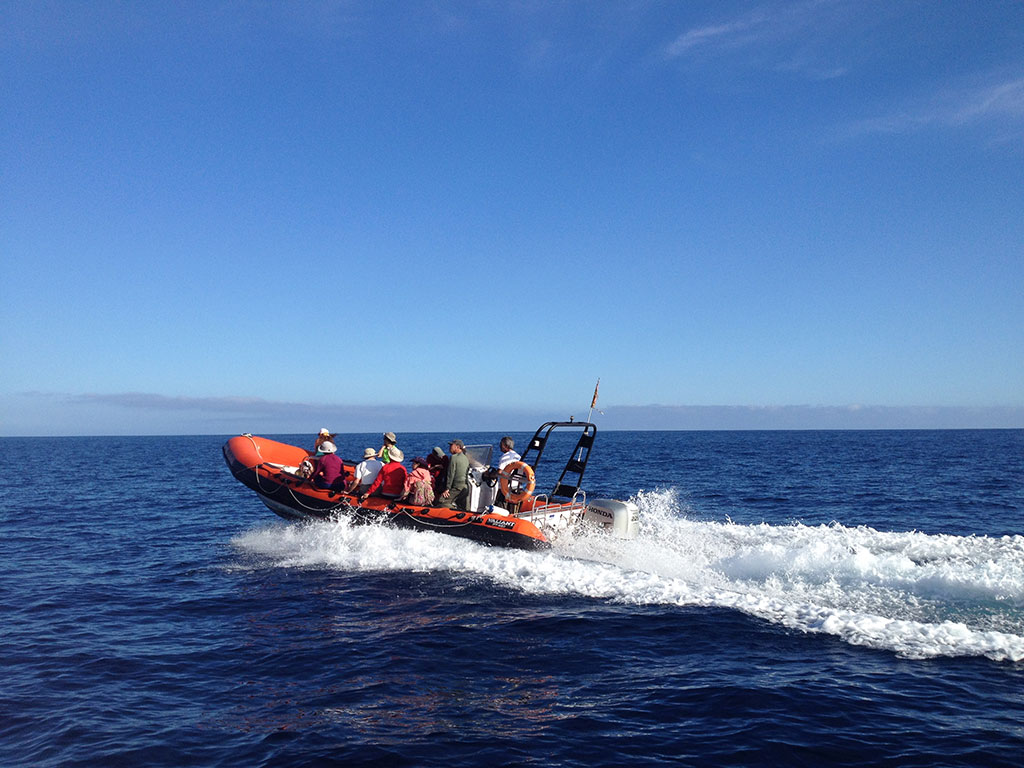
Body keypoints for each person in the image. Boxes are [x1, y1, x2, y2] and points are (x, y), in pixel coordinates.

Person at [437, 439, 470, 510]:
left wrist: (447, 489)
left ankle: (453, 510)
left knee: (442, 502)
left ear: (457, 447)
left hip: (457, 487)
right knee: (462, 504)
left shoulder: (453, 458)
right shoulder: (466, 458)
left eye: (451, 445)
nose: (449, 447)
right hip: (465, 487)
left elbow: (451, 474)